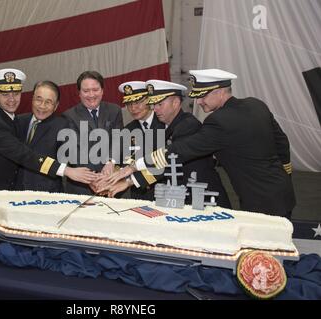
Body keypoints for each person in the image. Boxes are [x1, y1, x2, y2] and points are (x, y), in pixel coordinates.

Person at [106, 69, 295, 218]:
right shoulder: (256, 104)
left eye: (203, 96)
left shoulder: (218, 121)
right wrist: (283, 175)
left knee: (260, 262)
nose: (199, 101)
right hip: (280, 190)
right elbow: (282, 142)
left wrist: (132, 170)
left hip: (259, 199)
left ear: (220, 92)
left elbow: (179, 152)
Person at [98, 79, 231, 208]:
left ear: (176, 103)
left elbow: (168, 163)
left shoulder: (187, 125)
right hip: (175, 199)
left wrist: (129, 180)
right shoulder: (169, 126)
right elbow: (128, 159)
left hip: (204, 200)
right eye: (154, 104)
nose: (155, 109)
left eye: (160, 104)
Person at [0, 68, 97, 190]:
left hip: (36, 193)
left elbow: (75, 154)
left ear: (56, 106)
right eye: (5, 94)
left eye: (16, 93)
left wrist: (93, 177)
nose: (12, 99)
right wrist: (67, 171)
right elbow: (24, 154)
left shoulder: (11, 119)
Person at [62, 71, 124, 195]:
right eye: (86, 91)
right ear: (79, 93)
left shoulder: (114, 110)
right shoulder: (68, 116)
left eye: (95, 89)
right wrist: (94, 178)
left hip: (111, 181)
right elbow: (75, 152)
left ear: (102, 90)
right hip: (82, 186)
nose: (91, 95)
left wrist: (110, 162)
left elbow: (118, 140)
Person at [15, 81, 68, 192]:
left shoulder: (63, 126)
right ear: (32, 99)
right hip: (16, 191)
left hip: (46, 195)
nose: (42, 106)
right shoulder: (18, 121)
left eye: (48, 102)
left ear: (56, 106)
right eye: (38, 99)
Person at [116, 81, 165, 200]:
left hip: (165, 191)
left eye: (138, 102)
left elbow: (165, 162)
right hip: (139, 195)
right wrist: (113, 175)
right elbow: (125, 161)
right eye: (129, 104)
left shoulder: (164, 123)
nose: (133, 108)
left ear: (149, 100)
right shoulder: (128, 130)